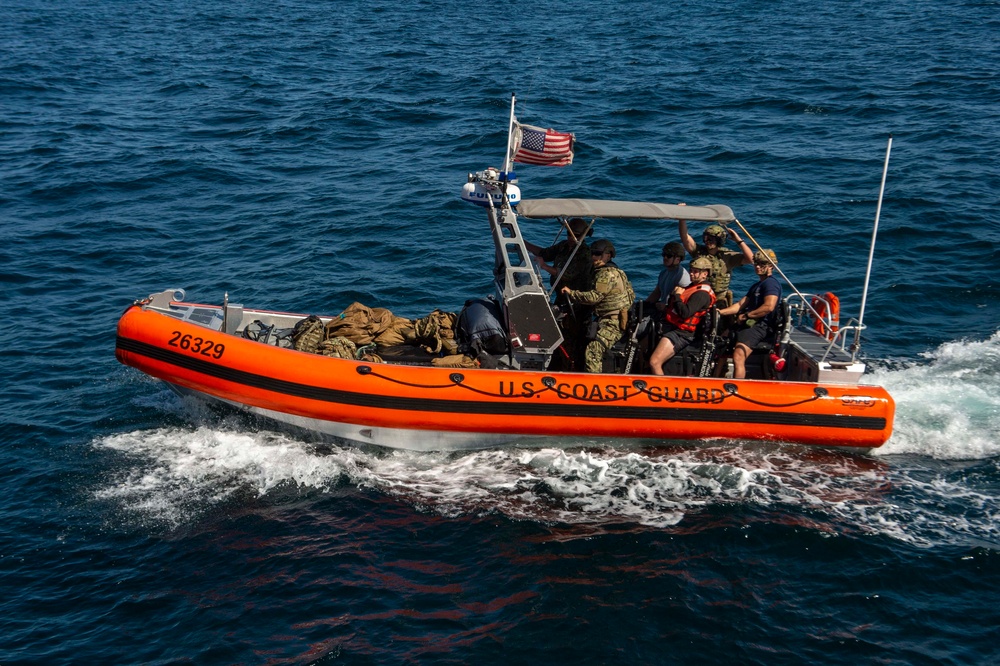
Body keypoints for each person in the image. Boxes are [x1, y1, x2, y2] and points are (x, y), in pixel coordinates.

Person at [561, 239, 634, 373]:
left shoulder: (606, 274)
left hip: (613, 323)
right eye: (593, 254)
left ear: (608, 255)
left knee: (593, 350)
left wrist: (572, 293)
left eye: (598, 254)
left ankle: (593, 384)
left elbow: (594, 297)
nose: (594, 257)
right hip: (606, 319)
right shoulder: (616, 271)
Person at [718, 249, 782, 379]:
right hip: (747, 324)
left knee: (738, 355)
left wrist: (747, 316)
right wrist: (720, 312)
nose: (758, 267)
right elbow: (740, 305)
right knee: (721, 344)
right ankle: (715, 378)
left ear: (771, 266)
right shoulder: (756, 286)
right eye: (756, 263)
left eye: (762, 264)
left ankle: (737, 387)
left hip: (760, 326)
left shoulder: (771, 284)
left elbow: (769, 307)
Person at [648, 256, 715, 375]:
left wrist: (678, 296)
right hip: (672, 326)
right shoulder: (692, 287)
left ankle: (661, 389)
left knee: (655, 361)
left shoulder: (701, 294)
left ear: (705, 274)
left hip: (682, 334)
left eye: (695, 272)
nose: (691, 274)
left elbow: (685, 313)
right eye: (691, 270)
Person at [678, 216, 753, 308]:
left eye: (711, 239)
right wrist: (682, 219)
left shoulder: (727, 256)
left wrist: (739, 241)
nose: (707, 241)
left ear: (719, 241)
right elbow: (685, 237)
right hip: (700, 295)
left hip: (719, 299)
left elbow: (750, 259)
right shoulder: (699, 252)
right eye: (705, 238)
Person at [525, 217, 594, 294]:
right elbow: (545, 254)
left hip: (575, 295)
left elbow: (566, 275)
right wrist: (524, 243)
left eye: (576, 235)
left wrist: (544, 266)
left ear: (583, 235)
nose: (571, 237)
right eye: (569, 234)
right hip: (561, 292)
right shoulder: (564, 245)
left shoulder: (584, 253)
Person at [644, 241, 690, 315]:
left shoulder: (682, 277)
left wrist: (666, 307)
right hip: (663, 310)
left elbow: (683, 302)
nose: (665, 257)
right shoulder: (663, 273)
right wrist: (643, 305)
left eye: (669, 256)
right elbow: (657, 292)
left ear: (677, 259)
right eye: (664, 255)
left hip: (672, 314)